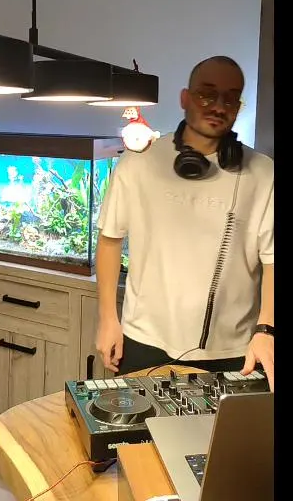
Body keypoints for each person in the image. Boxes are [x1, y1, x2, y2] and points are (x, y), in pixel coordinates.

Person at [95, 56, 275, 390]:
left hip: (235, 349)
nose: (218, 106)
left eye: (230, 98)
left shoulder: (263, 173)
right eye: (207, 94)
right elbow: (109, 239)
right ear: (185, 98)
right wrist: (108, 319)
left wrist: (267, 330)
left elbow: (272, 258)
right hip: (143, 340)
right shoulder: (138, 164)